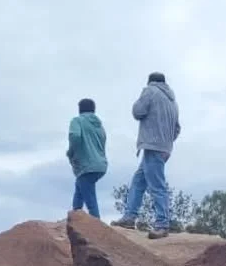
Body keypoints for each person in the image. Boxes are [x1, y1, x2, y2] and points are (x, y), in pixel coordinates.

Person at [112, 72, 180, 239]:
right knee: (139, 180)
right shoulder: (173, 102)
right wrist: (166, 141)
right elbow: (177, 128)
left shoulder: (150, 91)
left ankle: (162, 224)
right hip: (165, 148)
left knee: (157, 185)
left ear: (150, 82)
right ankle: (129, 217)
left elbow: (137, 111)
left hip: (152, 145)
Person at [67, 98, 108, 219]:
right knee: (80, 187)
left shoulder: (77, 121)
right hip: (101, 164)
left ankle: (96, 222)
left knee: (89, 196)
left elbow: (75, 136)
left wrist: (71, 153)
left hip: (87, 164)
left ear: (79, 109)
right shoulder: (100, 126)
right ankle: (75, 215)